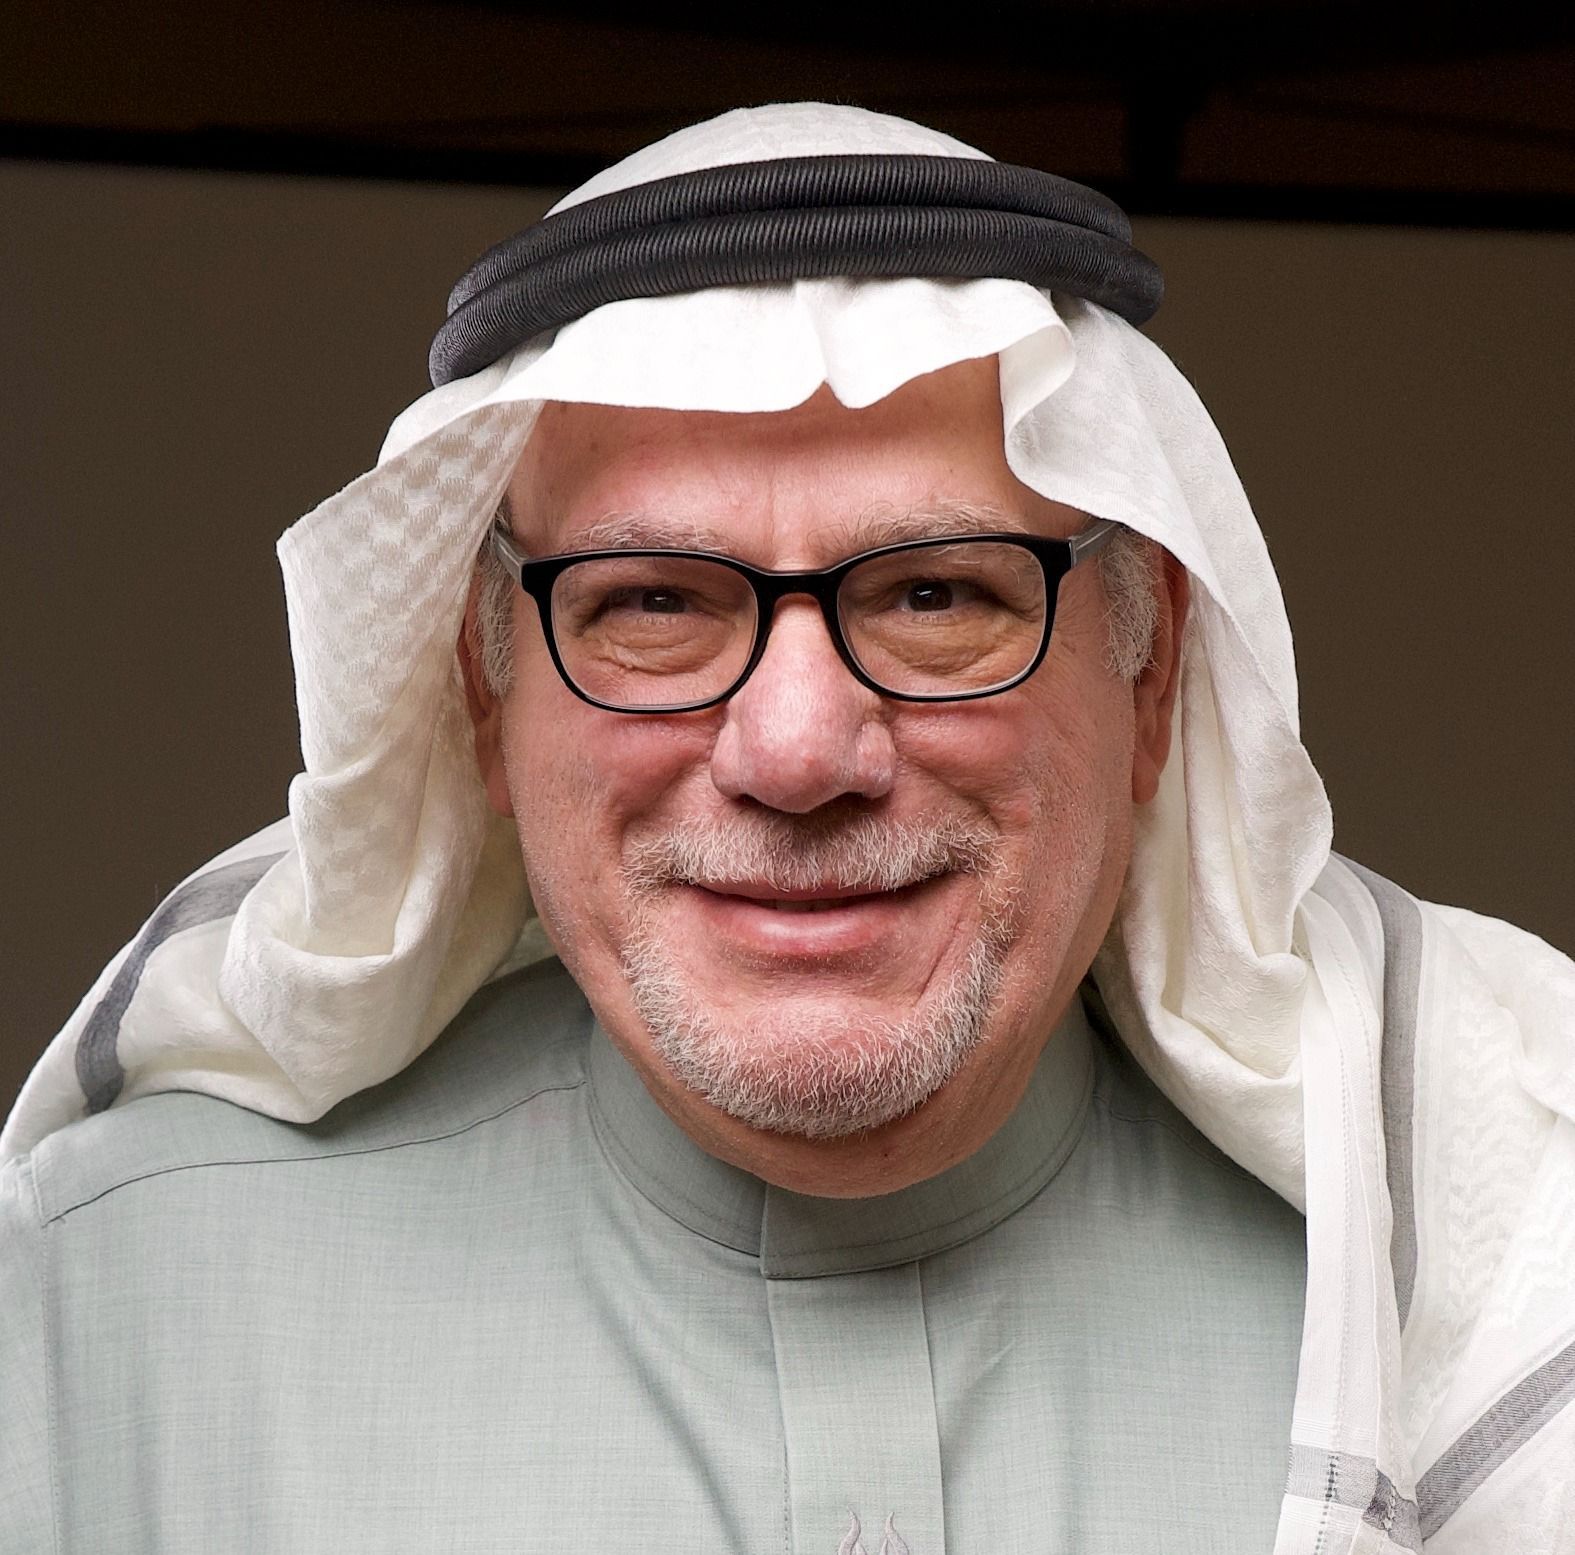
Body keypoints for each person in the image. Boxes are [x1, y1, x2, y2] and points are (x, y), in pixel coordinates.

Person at [2, 103, 1570, 1555]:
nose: (801, 750)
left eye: (936, 594)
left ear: (1149, 677)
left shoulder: (1473, 1302)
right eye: (654, 606)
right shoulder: (96, 1315)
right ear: (483, 700)